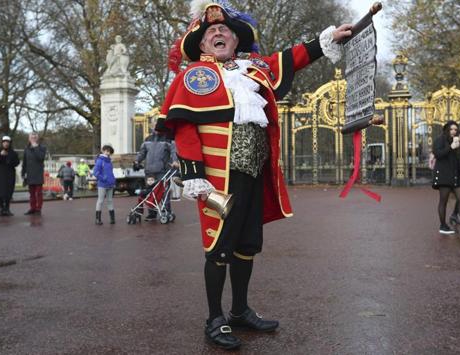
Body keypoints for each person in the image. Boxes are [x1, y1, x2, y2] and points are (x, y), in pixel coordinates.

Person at [156, 1, 380, 349]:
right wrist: (193, 174)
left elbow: (289, 59)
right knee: (218, 246)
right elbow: (184, 128)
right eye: (210, 32)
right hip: (218, 178)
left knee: (247, 244)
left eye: (224, 30)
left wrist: (326, 41)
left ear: (236, 39)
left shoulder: (252, 68)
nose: (218, 33)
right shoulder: (194, 76)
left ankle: (240, 310)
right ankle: (214, 318)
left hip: (253, 173)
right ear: (200, 45)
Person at [135, 127, 180, 220]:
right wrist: (137, 161)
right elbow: (142, 153)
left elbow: (173, 151)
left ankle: (166, 211)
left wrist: (175, 161)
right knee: (150, 193)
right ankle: (152, 213)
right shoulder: (148, 139)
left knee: (164, 192)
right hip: (149, 172)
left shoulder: (168, 138)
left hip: (163, 171)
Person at [0, 136, 20, 217]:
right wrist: (0, 155)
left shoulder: (13, 152)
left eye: (7, 142)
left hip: (9, 174)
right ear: (2, 143)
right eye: (4, 142)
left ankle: (7, 208)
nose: (6, 144)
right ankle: (1, 209)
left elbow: (17, 162)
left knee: (8, 192)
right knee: (0, 192)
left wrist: (9, 158)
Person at [21, 132, 47, 215]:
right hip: (29, 174)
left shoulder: (42, 147)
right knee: (31, 194)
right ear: (29, 139)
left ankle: (38, 209)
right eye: (32, 137)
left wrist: (36, 148)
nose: (33, 138)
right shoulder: (26, 148)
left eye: (35, 137)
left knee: (38, 193)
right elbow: (24, 162)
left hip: (38, 174)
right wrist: (23, 173)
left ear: (37, 139)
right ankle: (32, 208)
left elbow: (41, 158)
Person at [93, 145, 116, 225]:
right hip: (102, 184)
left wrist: (113, 180)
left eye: (109, 151)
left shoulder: (109, 161)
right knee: (100, 201)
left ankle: (112, 219)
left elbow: (111, 173)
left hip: (110, 184)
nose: (108, 152)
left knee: (110, 201)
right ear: (103, 151)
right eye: (106, 151)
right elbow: (95, 172)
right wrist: (104, 179)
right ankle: (97, 219)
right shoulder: (100, 160)